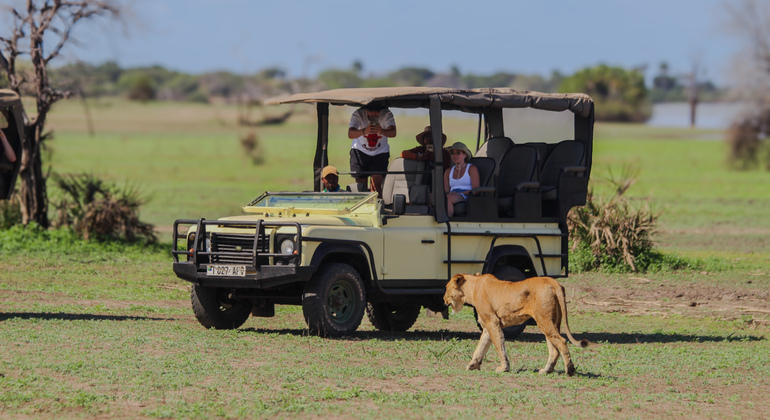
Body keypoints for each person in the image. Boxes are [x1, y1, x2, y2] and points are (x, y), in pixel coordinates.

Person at [348, 104, 397, 197]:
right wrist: (364, 131)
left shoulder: (386, 114)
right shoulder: (358, 114)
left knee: (376, 187)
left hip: (380, 152)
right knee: (360, 187)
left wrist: (382, 131)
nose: (374, 114)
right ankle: (362, 207)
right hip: (359, 151)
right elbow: (350, 134)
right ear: (365, 109)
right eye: (371, 111)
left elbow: (393, 132)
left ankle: (377, 205)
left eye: (377, 111)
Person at [444, 142, 479, 217]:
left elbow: (476, 190)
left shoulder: (471, 169)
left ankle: (447, 222)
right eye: (452, 153)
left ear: (465, 155)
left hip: (466, 196)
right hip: (452, 194)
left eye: (458, 153)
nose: (455, 156)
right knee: (432, 197)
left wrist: (460, 193)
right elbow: (446, 190)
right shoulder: (448, 171)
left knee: (447, 198)